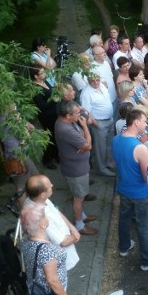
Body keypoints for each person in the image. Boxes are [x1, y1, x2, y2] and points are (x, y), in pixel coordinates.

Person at [20, 204, 81, 295]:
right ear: (43, 224)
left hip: (36, 291)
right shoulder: (49, 251)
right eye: (44, 216)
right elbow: (52, 280)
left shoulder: (25, 241)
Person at [112, 110, 148, 271]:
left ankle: (124, 247)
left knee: (124, 219)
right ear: (136, 122)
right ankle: (146, 260)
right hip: (141, 193)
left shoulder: (116, 140)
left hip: (123, 188)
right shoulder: (140, 148)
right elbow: (146, 176)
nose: (146, 124)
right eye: (144, 121)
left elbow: (115, 163)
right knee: (145, 227)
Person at [54, 100, 98, 235]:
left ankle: (83, 216)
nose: (80, 115)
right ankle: (79, 225)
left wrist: (82, 142)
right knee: (79, 198)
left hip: (78, 166)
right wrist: (85, 127)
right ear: (68, 115)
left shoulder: (66, 122)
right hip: (76, 170)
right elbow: (87, 145)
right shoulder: (66, 129)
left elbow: (82, 141)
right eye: (77, 113)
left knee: (81, 194)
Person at [81, 73, 116, 177]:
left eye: (97, 80)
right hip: (99, 123)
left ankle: (109, 162)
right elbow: (87, 112)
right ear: (88, 81)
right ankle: (102, 168)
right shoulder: (86, 93)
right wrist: (97, 124)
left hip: (109, 120)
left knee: (109, 144)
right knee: (100, 148)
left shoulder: (102, 86)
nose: (96, 83)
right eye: (93, 81)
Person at [30, 66, 59, 169]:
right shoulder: (35, 89)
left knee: (56, 136)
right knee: (50, 137)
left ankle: (55, 155)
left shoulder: (45, 82)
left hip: (54, 113)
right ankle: (46, 159)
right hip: (46, 117)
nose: (45, 74)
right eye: (42, 73)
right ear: (36, 76)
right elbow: (41, 106)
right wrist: (52, 99)